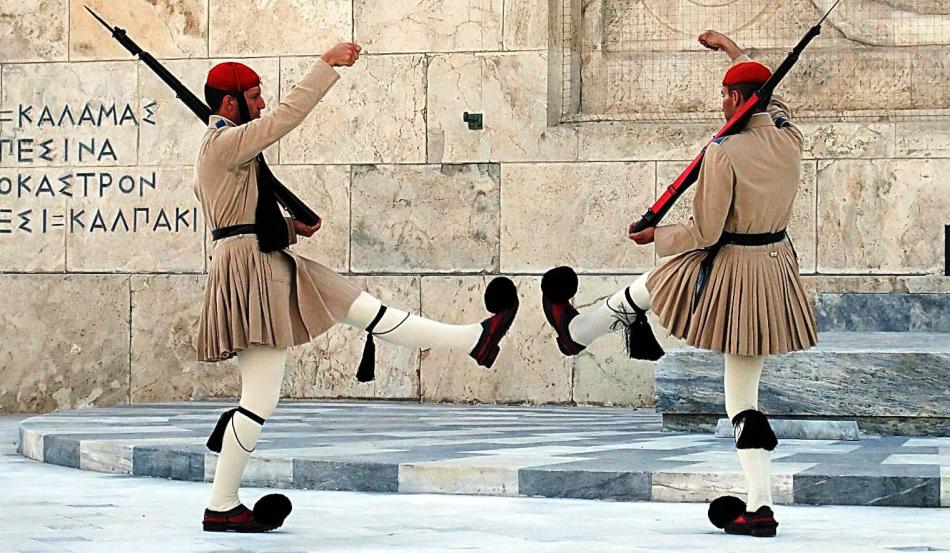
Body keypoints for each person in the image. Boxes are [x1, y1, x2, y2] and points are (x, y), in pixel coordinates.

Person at [195, 43, 519, 533]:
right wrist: (324, 66)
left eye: (261, 97)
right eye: (254, 97)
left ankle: (475, 338)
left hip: (268, 259)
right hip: (252, 273)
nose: (261, 105)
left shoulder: (227, 147)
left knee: (365, 309)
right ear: (228, 104)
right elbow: (285, 120)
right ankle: (222, 504)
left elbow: (238, 220)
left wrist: (289, 228)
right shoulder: (224, 145)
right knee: (258, 400)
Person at [539, 30, 817, 538]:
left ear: (734, 100)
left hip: (732, 266)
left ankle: (576, 331)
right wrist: (735, 53)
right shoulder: (788, 136)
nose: (721, 101)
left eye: (724, 93)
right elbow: (775, 95)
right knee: (742, 396)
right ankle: (760, 506)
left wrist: (656, 234)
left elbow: (706, 231)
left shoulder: (724, 152)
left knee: (658, 275)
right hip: (774, 266)